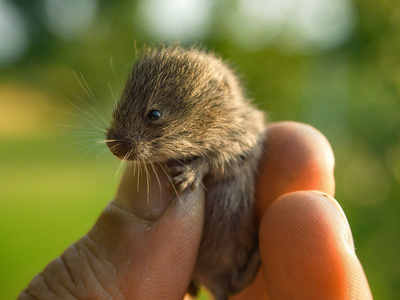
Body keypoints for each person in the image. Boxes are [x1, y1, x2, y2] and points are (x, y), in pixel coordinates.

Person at [18, 122, 373, 300]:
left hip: (229, 260)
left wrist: (199, 167)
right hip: (185, 264)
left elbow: (241, 149)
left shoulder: (233, 122)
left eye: (153, 117)